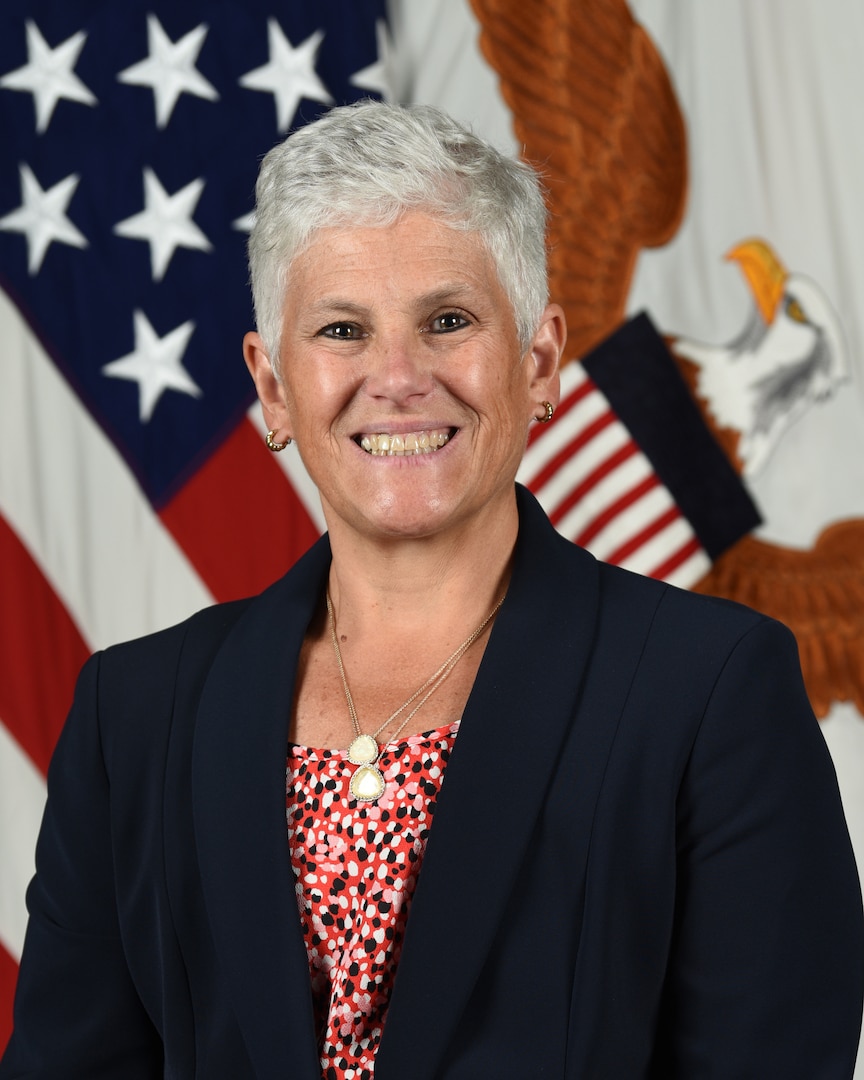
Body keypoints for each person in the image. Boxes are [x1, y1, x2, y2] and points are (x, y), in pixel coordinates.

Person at [1, 100, 862, 1080]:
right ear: (274, 385)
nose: (398, 377)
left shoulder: (711, 694)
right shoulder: (135, 717)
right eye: (342, 329)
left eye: (447, 321)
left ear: (538, 363)